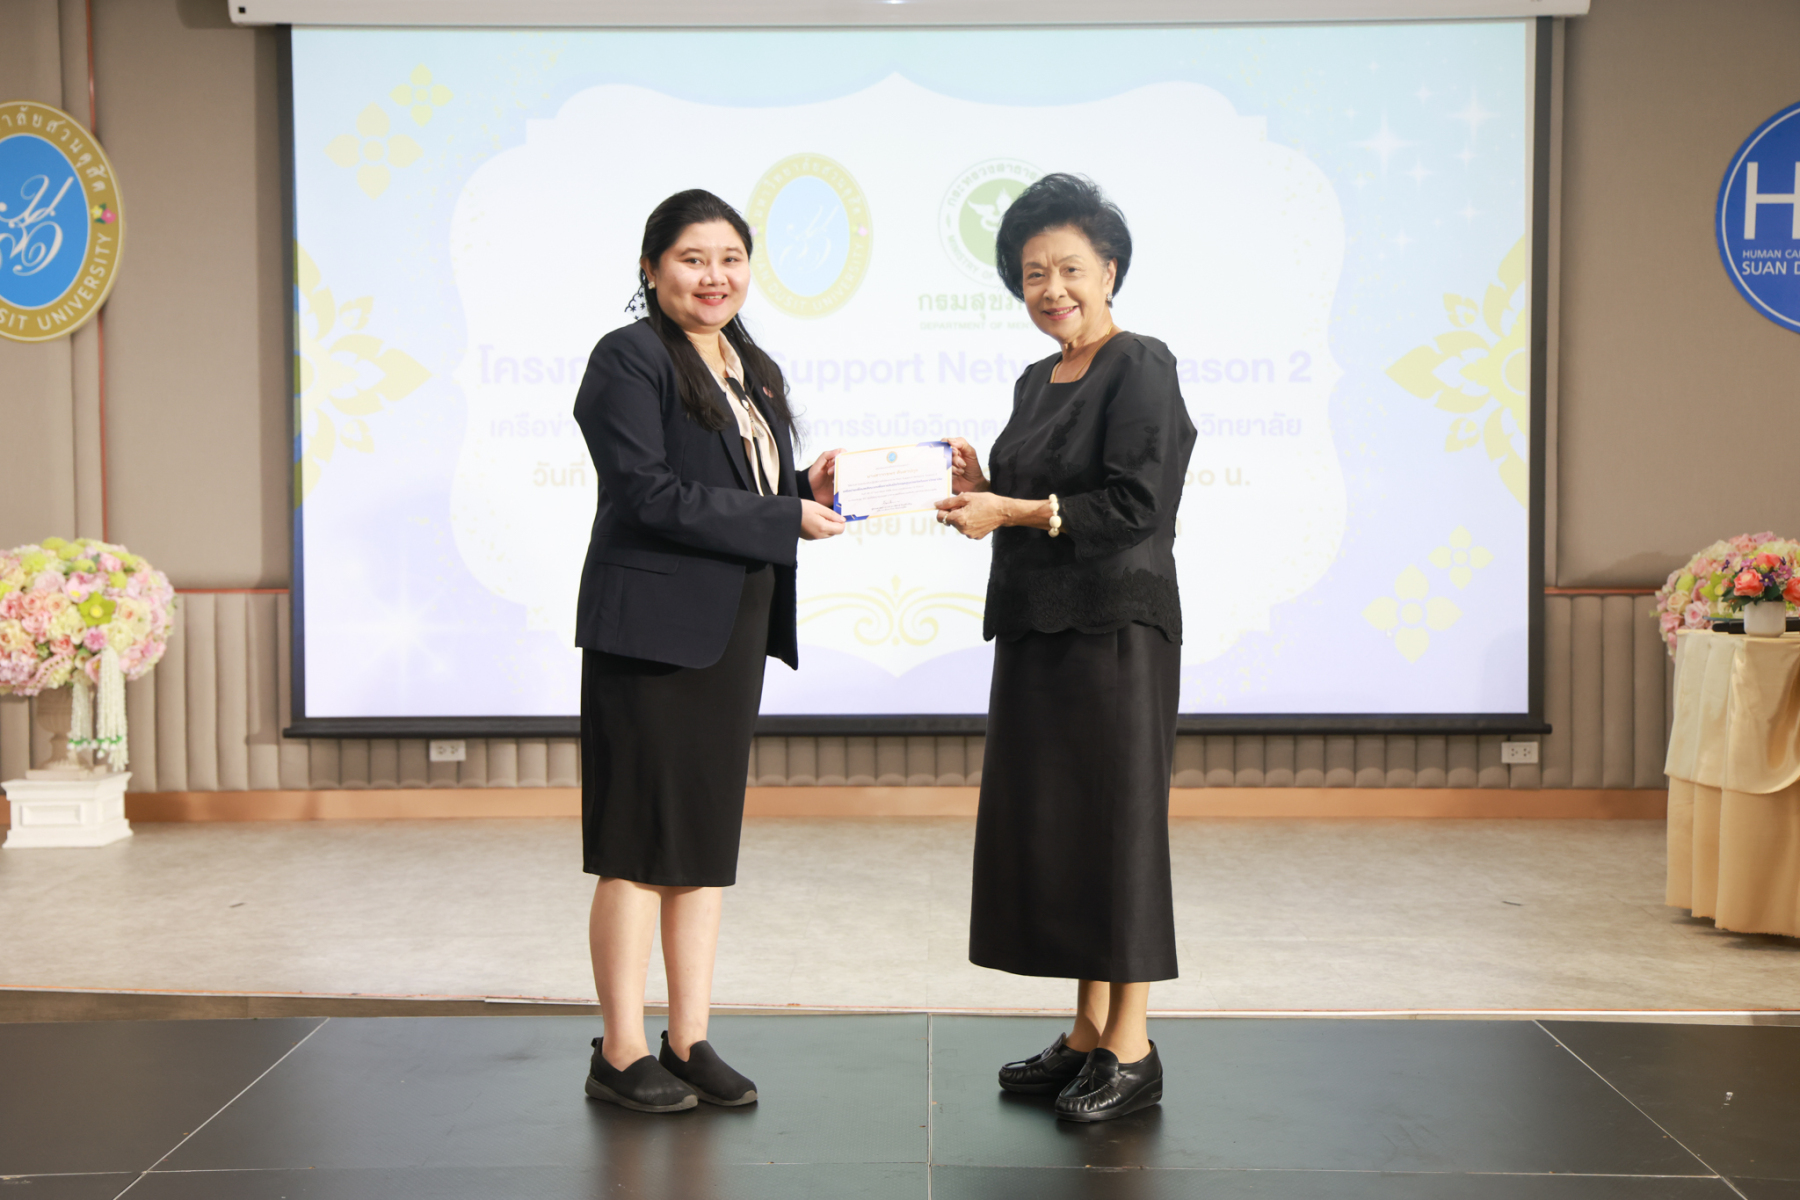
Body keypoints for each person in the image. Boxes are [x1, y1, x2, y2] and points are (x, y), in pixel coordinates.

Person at [572, 188, 845, 1113]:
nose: (714, 276)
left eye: (731, 258)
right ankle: (619, 1051)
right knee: (635, 845)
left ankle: (687, 1040)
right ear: (652, 269)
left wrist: (809, 486)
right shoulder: (628, 358)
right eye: (693, 258)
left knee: (700, 843)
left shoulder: (748, 364)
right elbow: (646, 493)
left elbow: (741, 488)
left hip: (728, 633)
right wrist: (783, 515)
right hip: (650, 636)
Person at [936, 174, 1196, 1123]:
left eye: (1070, 269)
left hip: (1116, 629)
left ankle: (1133, 1045)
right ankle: (1087, 1033)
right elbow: (1039, 493)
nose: (1052, 289)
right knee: (1066, 832)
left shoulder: (1141, 363)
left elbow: (1137, 504)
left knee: (1117, 830)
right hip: (1039, 630)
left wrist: (1009, 509)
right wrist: (983, 480)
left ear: (1110, 270)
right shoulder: (1034, 380)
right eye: (1033, 273)